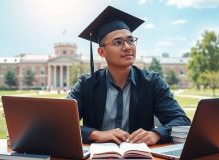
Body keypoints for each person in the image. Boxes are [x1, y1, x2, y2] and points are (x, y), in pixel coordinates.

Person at [67, 6, 190, 145]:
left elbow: (182, 121)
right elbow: (61, 122)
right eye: (118, 42)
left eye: (131, 40)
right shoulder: (86, 85)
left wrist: (156, 134)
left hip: (140, 155)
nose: (127, 47)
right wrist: (96, 134)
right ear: (102, 52)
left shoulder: (152, 82)